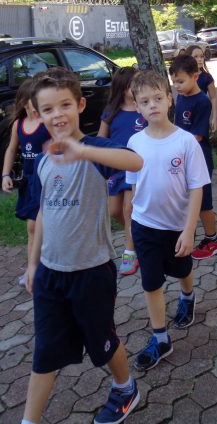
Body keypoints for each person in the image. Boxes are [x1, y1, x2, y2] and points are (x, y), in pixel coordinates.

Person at [22, 67, 143, 424]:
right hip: (50, 274)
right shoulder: (43, 161)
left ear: (80, 105)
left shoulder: (95, 149)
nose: (57, 115)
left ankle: (125, 387)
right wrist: (33, 264)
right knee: (45, 352)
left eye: (64, 105)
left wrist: (83, 151)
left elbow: (135, 161)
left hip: (91, 271)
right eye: (48, 109)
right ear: (37, 114)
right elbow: (44, 212)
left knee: (102, 343)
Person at [126, 70, 210, 371]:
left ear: (169, 100)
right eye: (145, 101)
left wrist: (189, 230)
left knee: (182, 269)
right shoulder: (135, 142)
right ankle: (161, 338)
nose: (152, 105)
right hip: (144, 225)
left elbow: (197, 187)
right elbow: (133, 187)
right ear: (137, 106)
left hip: (176, 226)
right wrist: (130, 229)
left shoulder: (186, 142)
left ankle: (188, 296)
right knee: (151, 282)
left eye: (158, 98)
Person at [169, 55, 217, 260]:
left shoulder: (202, 102)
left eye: (180, 81)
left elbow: (197, 136)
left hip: (199, 159)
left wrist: (171, 144)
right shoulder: (182, 96)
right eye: (174, 82)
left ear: (195, 76)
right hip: (182, 157)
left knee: (203, 202)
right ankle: (185, 236)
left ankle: (213, 239)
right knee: (184, 199)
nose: (176, 86)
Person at [98, 66, 147, 276]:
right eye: (133, 84)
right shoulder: (111, 112)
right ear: (123, 87)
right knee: (114, 211)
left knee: (128, 209)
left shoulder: (143, 109)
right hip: (115, 170)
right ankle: (136, 233)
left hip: (135, 167)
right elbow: (100, 139)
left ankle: (130, 251)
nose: (137, 87)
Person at [2, 78, 50, 287]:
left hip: (48, 181)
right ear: (24, 102)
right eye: (35, 100)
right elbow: (11, 149)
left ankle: (42, 265)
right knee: (32, 228)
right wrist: (5, 175)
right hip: (30, 183)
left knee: (41, 226)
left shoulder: (47, 123)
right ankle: (33, 268)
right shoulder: (18, 125)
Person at [185, 45, 217, 132]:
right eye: (195, 57)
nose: (200, 59)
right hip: (186, 113)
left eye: (202, 56)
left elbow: (213, 98)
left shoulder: (207, 77)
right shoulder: (184, 75)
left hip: (201, 113)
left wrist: (214, 118)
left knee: (200, 136)